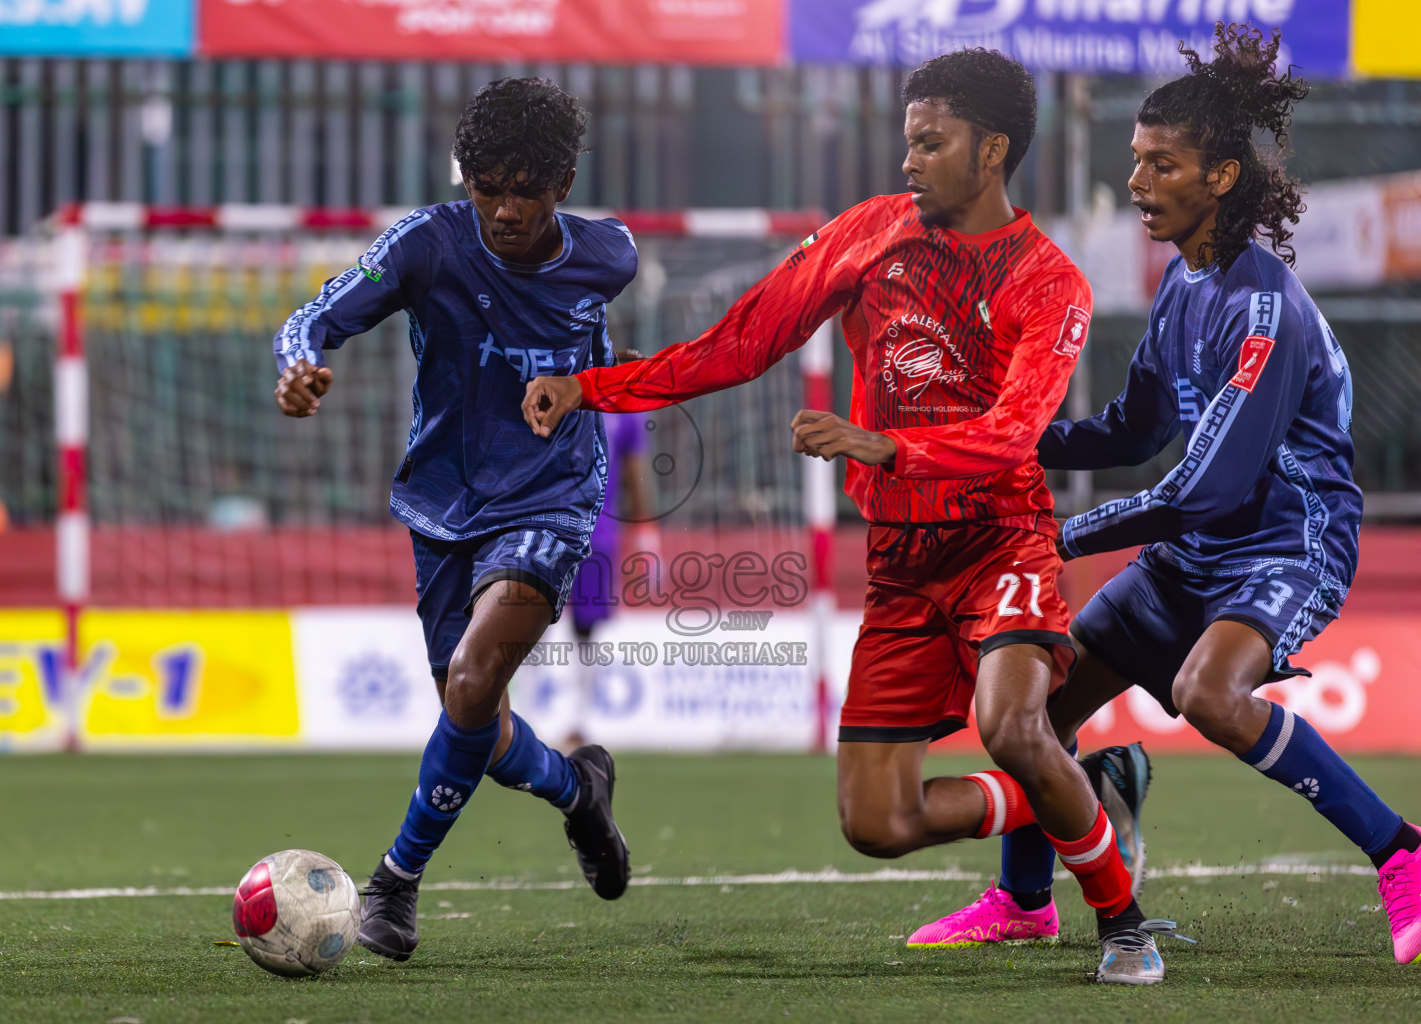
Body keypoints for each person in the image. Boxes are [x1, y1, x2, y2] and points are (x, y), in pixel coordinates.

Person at [524, 48, 1178, 984]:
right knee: (876, 824)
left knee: (1013, 724)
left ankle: (1125, 927)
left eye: (929, 141)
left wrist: (886, 448)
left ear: (991, 150)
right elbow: (739, 343)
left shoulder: (1049, 282)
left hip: (1003, 542)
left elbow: (1011, 435)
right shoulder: (870, 234)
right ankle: (1085, 790)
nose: (907, 159)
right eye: (906, 140)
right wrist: (589, 387)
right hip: (901, 564)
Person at [910, 23, 1420, 966]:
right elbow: (1132, 430)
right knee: (1037, 715)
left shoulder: (1260, 307)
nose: (1138, 182)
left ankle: (1404, 856)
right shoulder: (1185, 286)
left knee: (1208, 694)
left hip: (1286, 542)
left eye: (1162, 166)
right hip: (1198, 547)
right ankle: (1026, 901)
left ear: (1220, 178)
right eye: (1137, 161)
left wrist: (1058, 535)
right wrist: (996, 438)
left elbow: (1202, 486)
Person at [272, 77, 635, 962]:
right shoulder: (426, 245)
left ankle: (394, 883)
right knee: (478, 721)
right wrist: (299, 366)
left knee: (473, 681)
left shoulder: (609, 256)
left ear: (565, 181)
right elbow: (314, 316)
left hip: (552, 493)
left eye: (527, 189)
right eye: (487, 187)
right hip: (442, 503)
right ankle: (578, 792)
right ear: (463, 176)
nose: (506, 210)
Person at [563, 408, 651, 749]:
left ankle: (578, 722)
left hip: (597, 536)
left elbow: (634, 472)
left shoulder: (623, 410)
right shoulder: (550, 389)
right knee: (529, 622)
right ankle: (521, 718)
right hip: (543, 529)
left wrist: (644, 531)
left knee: (585, 630)